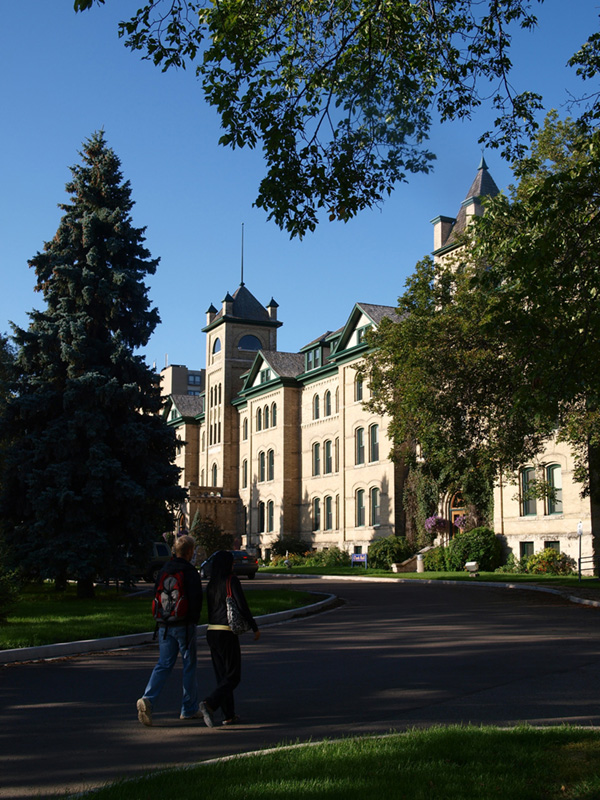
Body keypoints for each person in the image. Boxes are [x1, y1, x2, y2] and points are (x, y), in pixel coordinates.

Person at [136, 534, 202, 726]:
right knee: (189, 665)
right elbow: (196, 600)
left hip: (165, 625)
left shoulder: (165, 568)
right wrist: (193, 621)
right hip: (185, 626)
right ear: (189, 552)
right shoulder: (190, 572)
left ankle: (148, 699)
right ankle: (188, 709)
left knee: (164, 664)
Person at [199, 550, 260, 727]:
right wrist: (254, 627)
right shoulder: (231, 580)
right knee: (233, 676)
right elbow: (242, 605)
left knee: (222, 676)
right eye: (231, 562)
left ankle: (229, 715)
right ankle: (210, 703)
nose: (233, 564)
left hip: (212, 631)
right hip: (226, 632)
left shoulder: (211, 584)